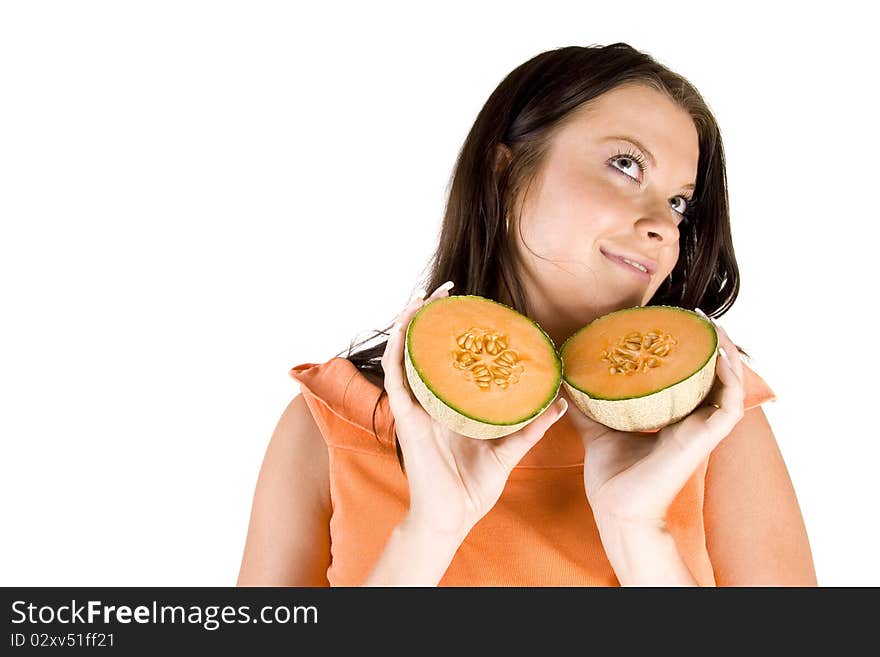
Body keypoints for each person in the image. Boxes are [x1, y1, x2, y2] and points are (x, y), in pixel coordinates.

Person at [237, 43, 817, 586]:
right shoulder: (328, 427)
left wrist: (640, 532)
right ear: (504, 172)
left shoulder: (717, 420)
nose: (664, 226)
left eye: (679, 202)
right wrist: (428, 532)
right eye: (626, 164)